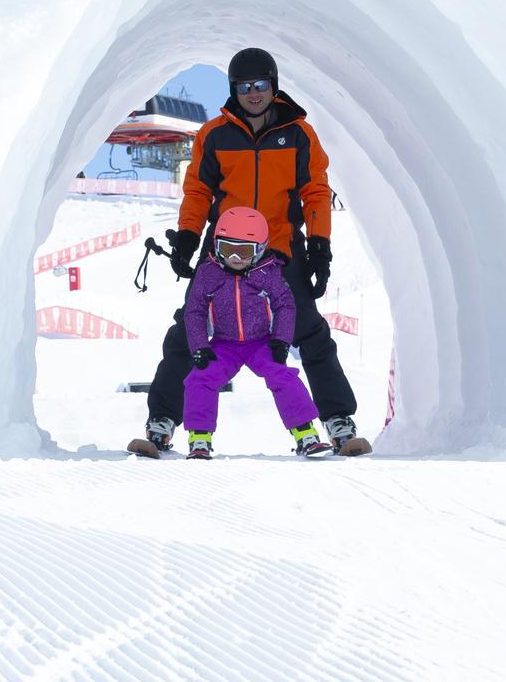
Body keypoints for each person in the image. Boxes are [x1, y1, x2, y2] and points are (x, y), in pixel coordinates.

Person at [132, 46, 369, 457]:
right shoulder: (215, 135)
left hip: (279, 248)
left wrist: (320, 246)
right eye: (244, 87)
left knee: (310, 332)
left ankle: (338, 423)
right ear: (233, 89)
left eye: (260, 85)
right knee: (188, 331)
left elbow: (314, 190)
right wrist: (188, 237)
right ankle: (162, 423)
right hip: (223, 252)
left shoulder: (298, 134)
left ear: (273, 86)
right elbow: (198, 191)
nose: (253, 93)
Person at [179, 206, 333, 459]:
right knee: (200, 378)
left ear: (260, 249)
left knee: (282, 376)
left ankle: (306, 434)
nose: (235, 259)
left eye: (243, 252)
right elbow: (194, 309)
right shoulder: (209, 272)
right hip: (223, 345)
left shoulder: (268, 272)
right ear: (217, 246)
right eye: (228, 250)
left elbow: (285, 304)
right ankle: (199, 438)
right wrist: (199, 346)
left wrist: (281, 340)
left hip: (261, 343)